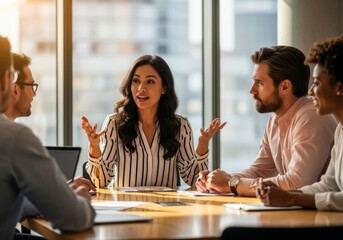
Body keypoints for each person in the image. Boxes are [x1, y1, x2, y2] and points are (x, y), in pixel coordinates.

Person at [196, 45, 338, 196]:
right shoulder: (274, 120)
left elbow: (296, 183)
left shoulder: (311, 116)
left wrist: (231, 184)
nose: (252, 90)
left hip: (320, 216)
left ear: (285, 86)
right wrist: (218, 181)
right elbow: (260, 171)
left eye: (260, 83)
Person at [0, 35, 95, 239]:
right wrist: (80, 201)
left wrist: (58, 195)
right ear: (9, 85)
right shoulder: (14, 138)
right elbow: (73, 218)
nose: (34, 94)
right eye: (32, 86)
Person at [82, 54, 226, 188]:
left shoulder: (180, 125)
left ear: (164, 88)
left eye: (150, 81)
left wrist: (202, 145)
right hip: (127, 208)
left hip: (165, 209)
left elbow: (193, 180)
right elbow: (100, 182)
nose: (141, 88)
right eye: (136, 81)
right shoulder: (114, 123)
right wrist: (94, 147)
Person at [258, 35, 343, 211]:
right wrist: (289, 196)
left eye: (317, 83)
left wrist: (291, 199)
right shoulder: (340, 131)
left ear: (339, 87)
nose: (311, 92)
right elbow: (328, 185)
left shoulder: (310, 116)